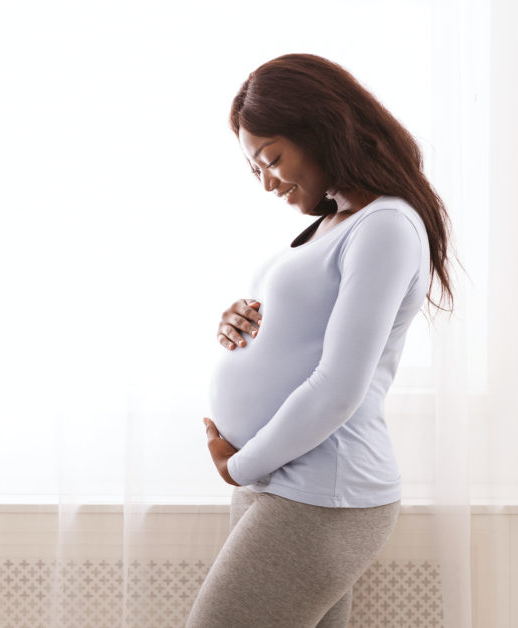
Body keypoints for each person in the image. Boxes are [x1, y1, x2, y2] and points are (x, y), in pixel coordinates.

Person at [185, 53, 457, 628]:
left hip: (319, 490)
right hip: (286, 482)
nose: (266, 182)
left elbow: (338, 387)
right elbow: (306, 332)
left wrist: (242, 467)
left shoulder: (385, 224)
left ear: (321, 127)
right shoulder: (337, 222)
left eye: (271, 158)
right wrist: (240, 322)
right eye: (254, 168)